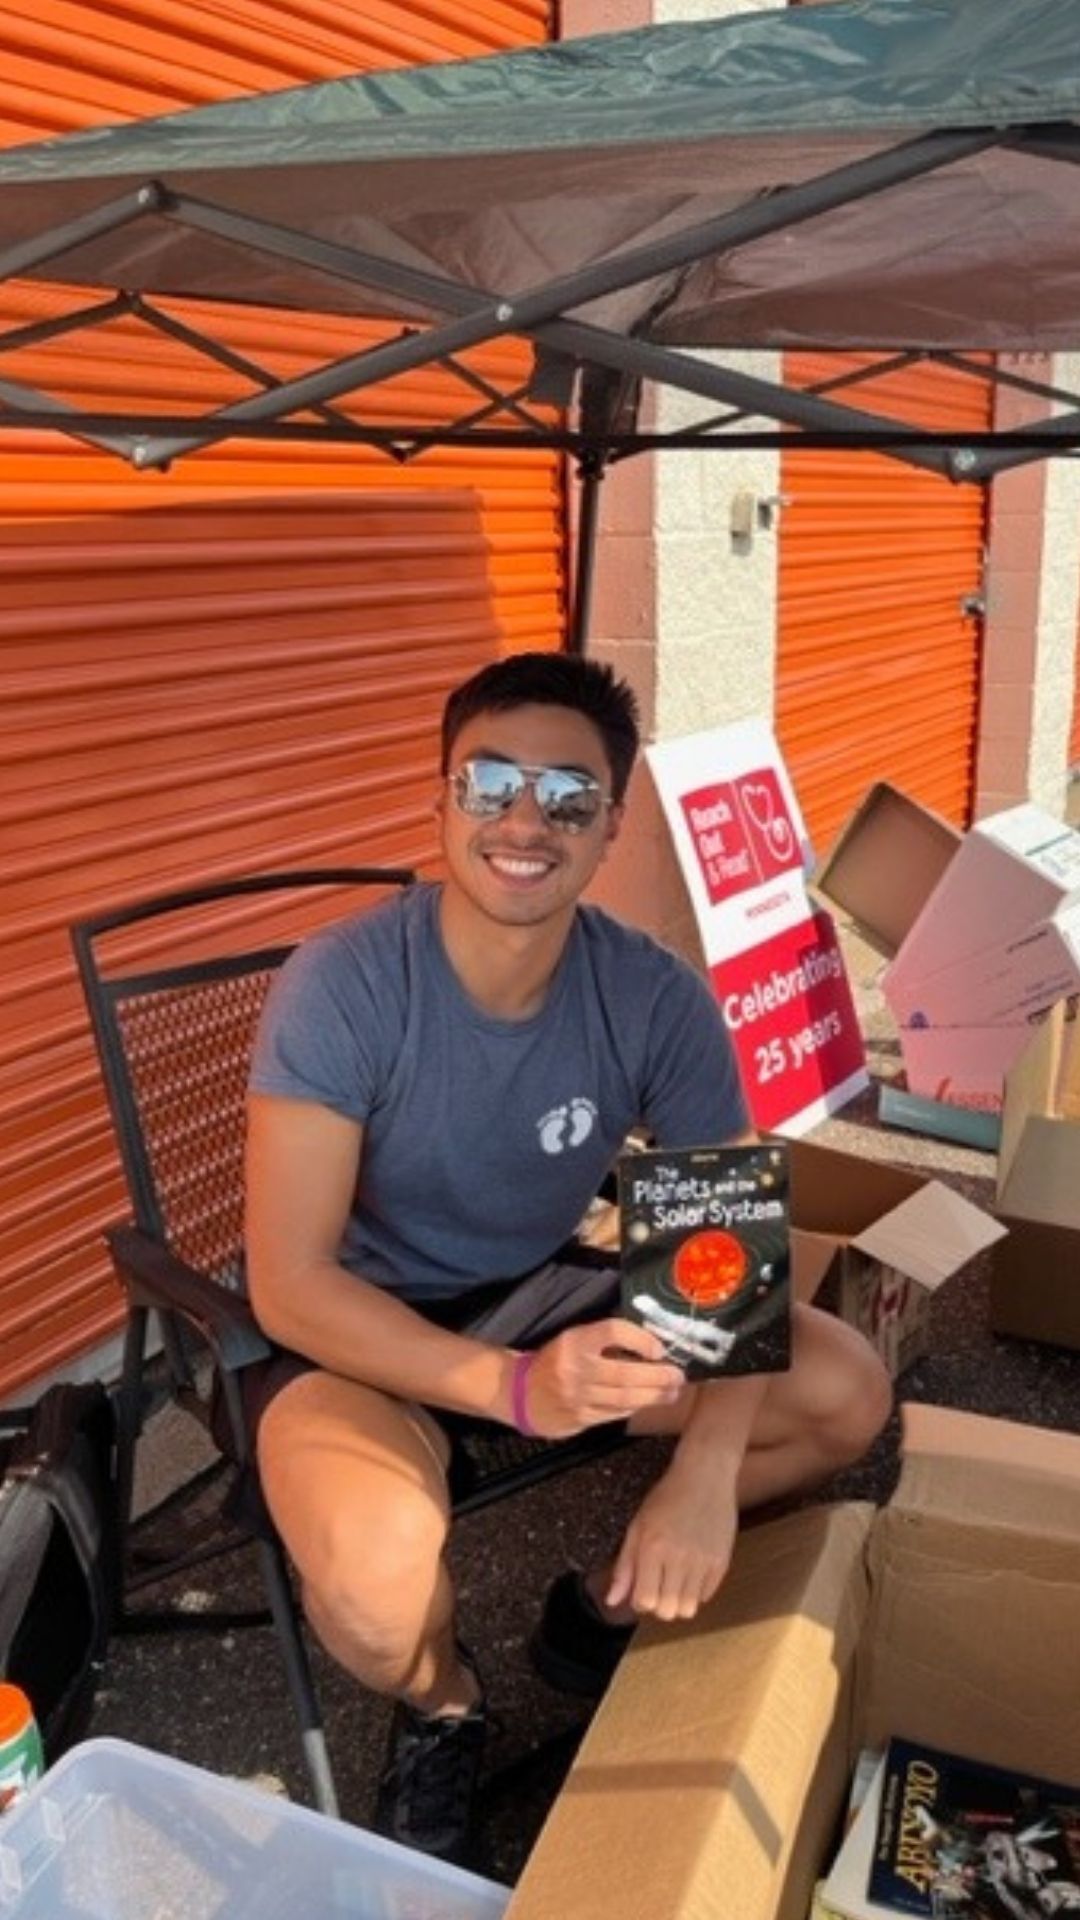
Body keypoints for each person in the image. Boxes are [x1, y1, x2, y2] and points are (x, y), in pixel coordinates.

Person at [244, 650, 892, 1864]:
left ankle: (597, 1609)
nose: (525, 820)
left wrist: (699, 1478)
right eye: (489, 782)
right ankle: (447, 1707)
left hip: (543, 1298)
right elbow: (291, 1281)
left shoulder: (653, 997)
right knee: (380, 1600)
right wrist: (513, 1389)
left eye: (569, 795)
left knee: (845, 1388)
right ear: (440, 797)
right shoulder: (342, 987)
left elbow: (725, 1237)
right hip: (368, 1334)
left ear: (612, 827)